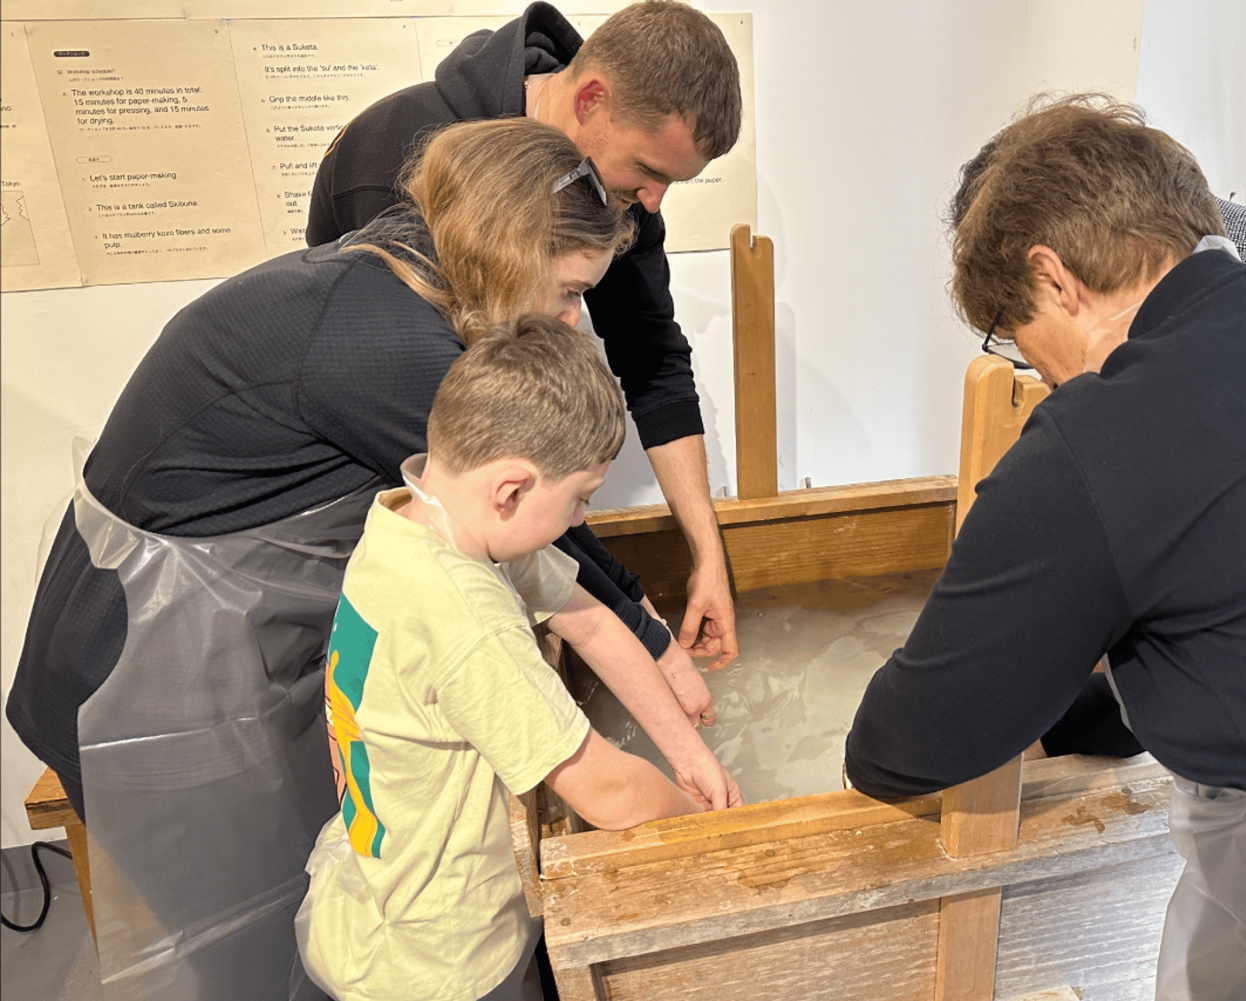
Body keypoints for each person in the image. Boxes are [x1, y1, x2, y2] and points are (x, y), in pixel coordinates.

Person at [6, 117, 725, 999]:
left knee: (342, 879)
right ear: (511, 258)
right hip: (139, 649)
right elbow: (595, 735)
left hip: (234, 656)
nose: (577, 321)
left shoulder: (414, 501)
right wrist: (705, 813)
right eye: (572, 292)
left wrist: (670, 706)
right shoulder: (396, 355)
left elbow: (558, 569)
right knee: (234, 936)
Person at [844, 96, 1246, 1000]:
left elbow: (901, 745)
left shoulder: (1102, 431)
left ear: (1057, 276)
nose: (1038, 375)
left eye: (1022, 338)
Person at [297, 315, 736, 1001]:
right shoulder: (464, 615)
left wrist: (688, 752)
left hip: (372, 891)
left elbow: (590, 619)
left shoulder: (413, 523)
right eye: (580, 499)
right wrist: (706, 834)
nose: (583, 521)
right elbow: (606, 788)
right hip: (443, 959)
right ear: (511, 489)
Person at [307, 0, 744, 676]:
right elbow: (475, 437)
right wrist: (639, 625)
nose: (654, 201)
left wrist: (707, 555)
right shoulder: (400, 153)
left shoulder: (620, 191)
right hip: (379, 484)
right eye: (648, 171)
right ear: (593, 99)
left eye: (671, 182)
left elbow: (653, 359)